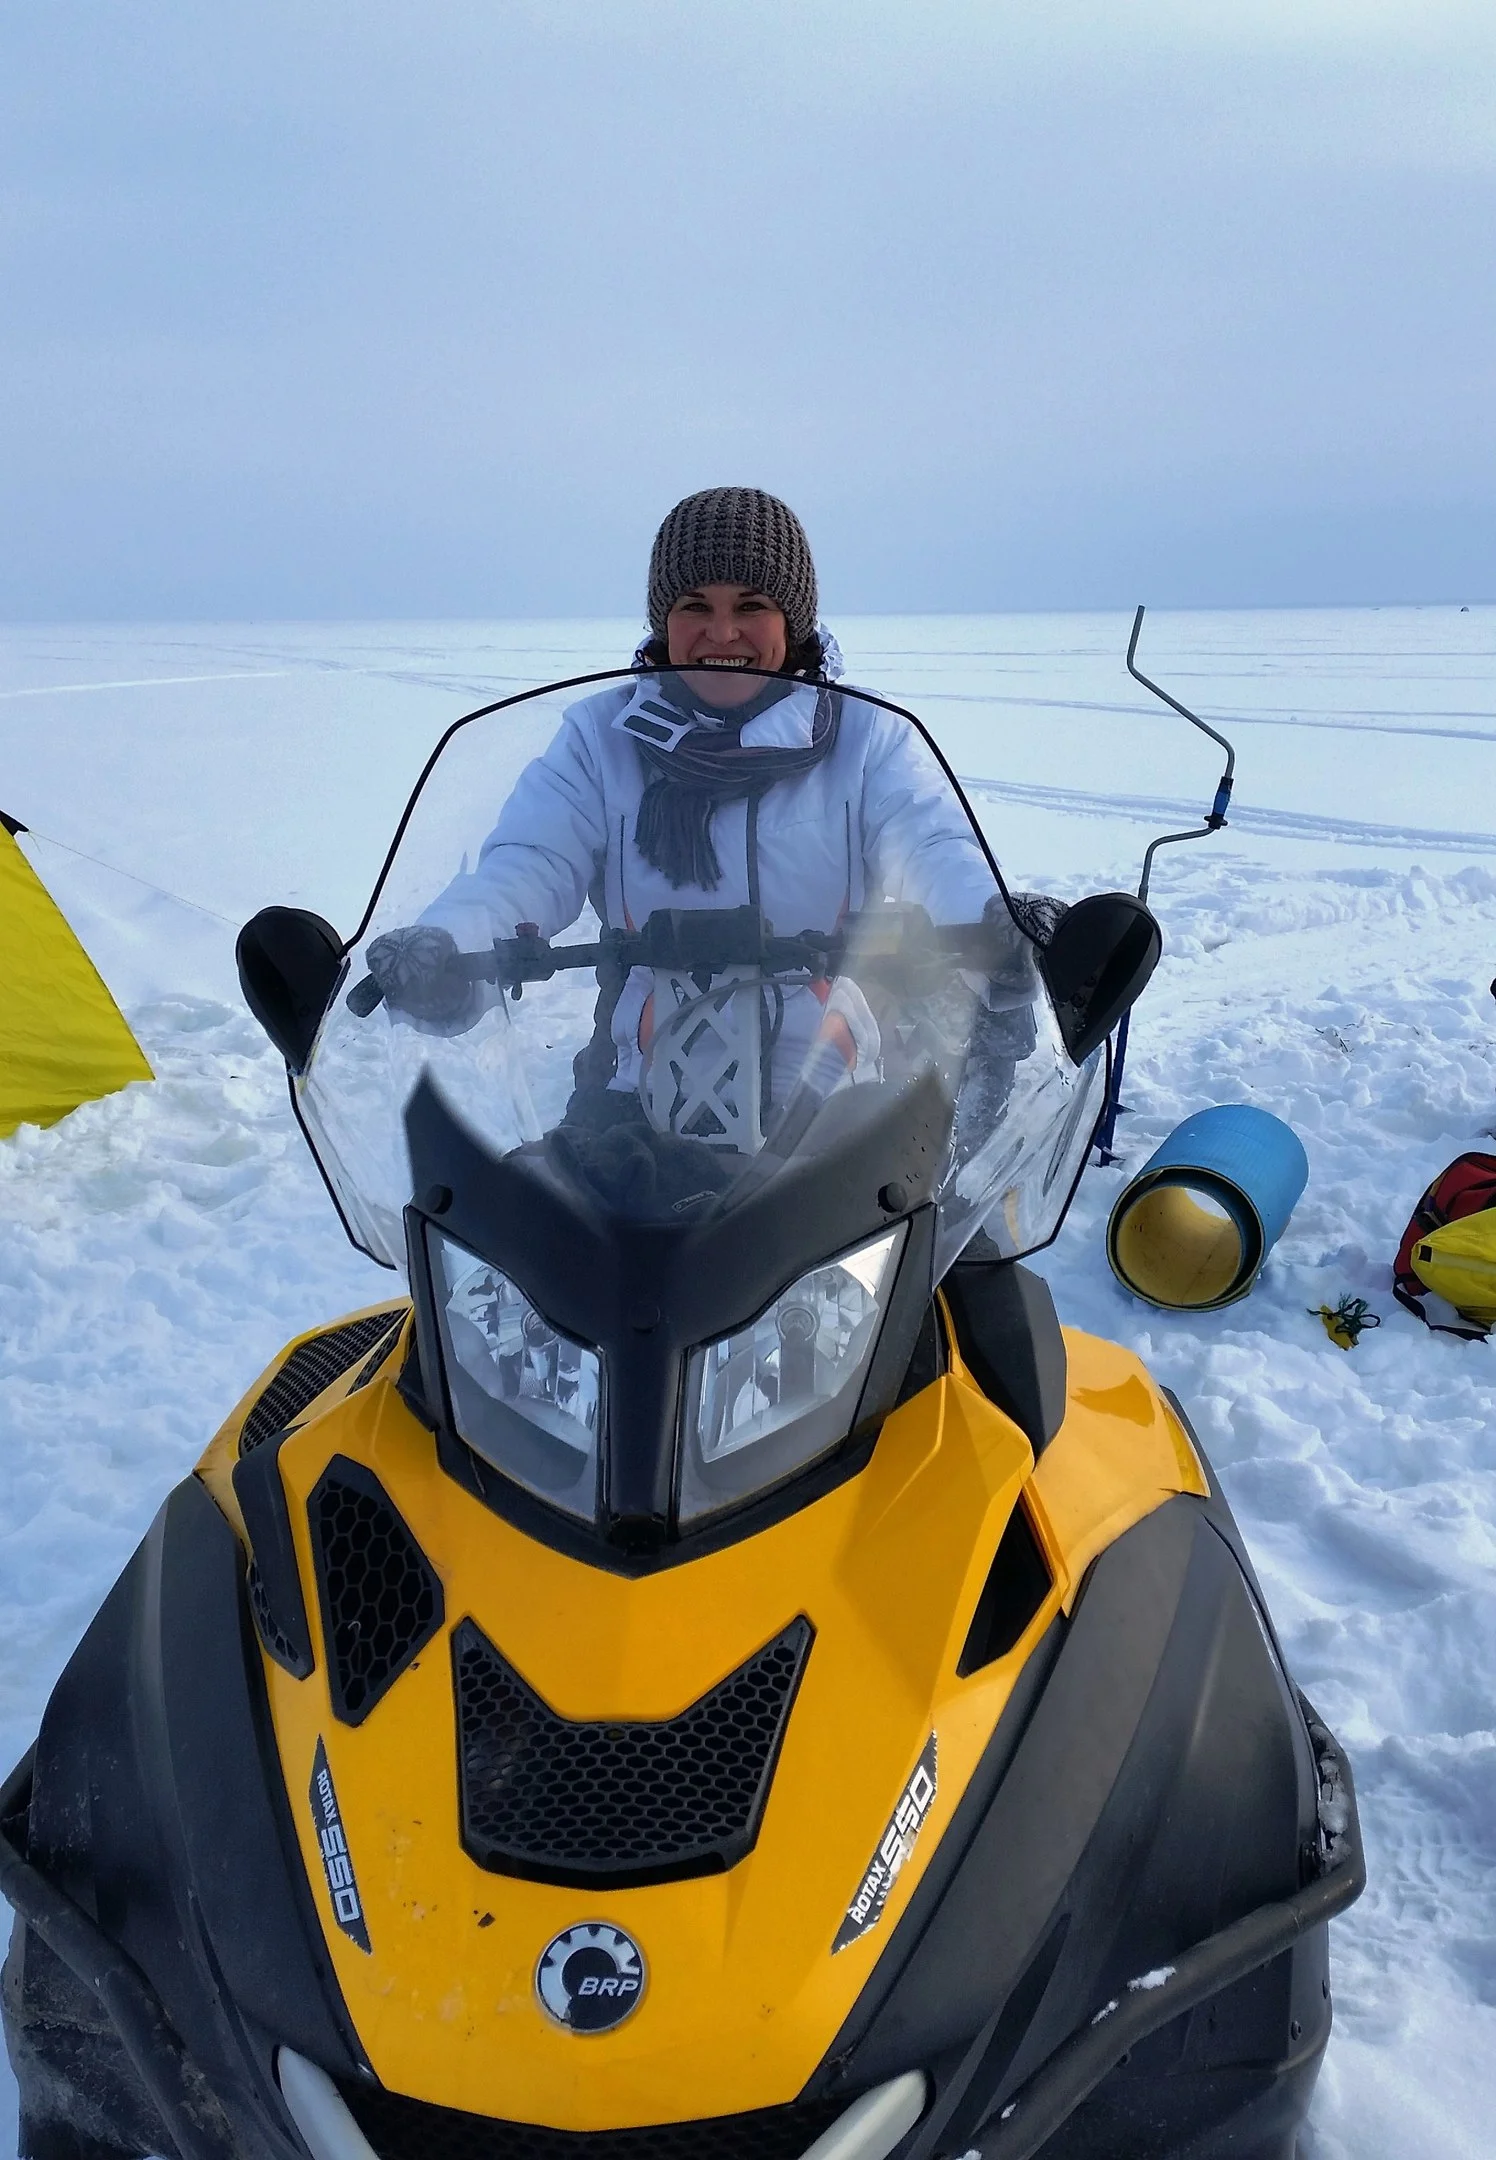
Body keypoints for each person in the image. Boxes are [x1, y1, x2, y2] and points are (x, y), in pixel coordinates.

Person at [365, 487, 1046, 1162]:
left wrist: (992, 922)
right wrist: (450, 941)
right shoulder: (602, 738)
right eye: (695, 606)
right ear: (665, 619)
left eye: (751, 606)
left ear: (792, 620)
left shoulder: (865, 738)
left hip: (826, 1089)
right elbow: (529, 862)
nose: (722, 633)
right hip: (639, 1086)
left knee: (923, 1217)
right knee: (532, 1216)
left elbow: (932, 844)